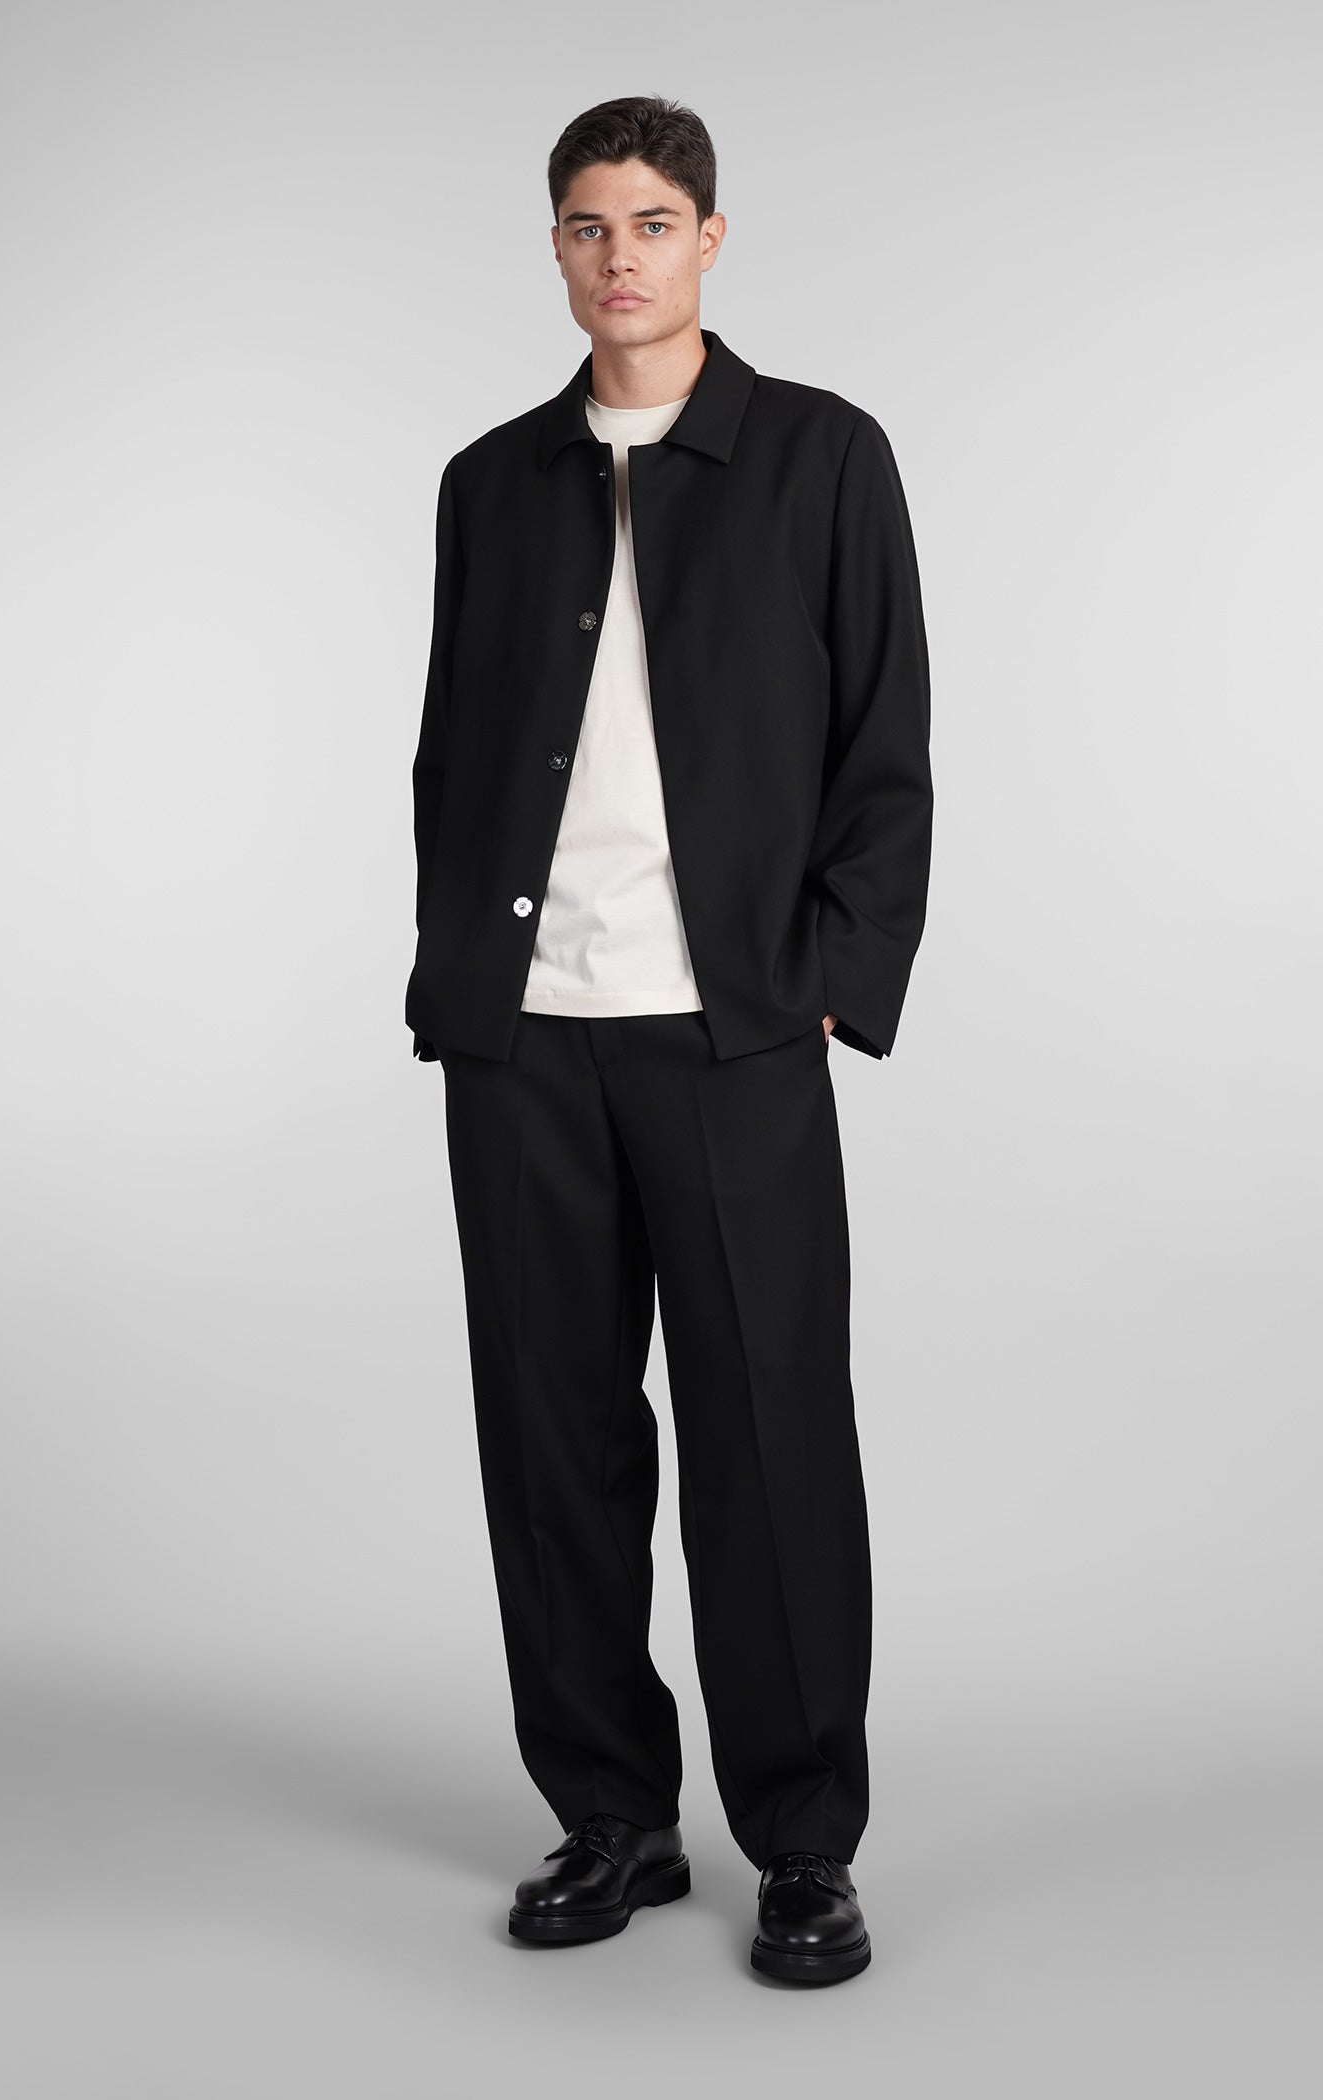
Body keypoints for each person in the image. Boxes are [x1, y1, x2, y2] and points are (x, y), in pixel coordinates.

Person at [405, 93, 933, 1985]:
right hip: (527, 1041)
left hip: (733, 1038)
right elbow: (454, 751)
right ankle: (613, 1817)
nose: (614, 257)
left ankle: (804, 1842)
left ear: (711, 236)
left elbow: (886, 744)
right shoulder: (492, 481)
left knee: (769, 1438)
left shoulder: (819, 456)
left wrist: (831, 977)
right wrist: (454, 972)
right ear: (554, 248)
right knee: (551, 1440)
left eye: (647, 222)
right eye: (583, 226)